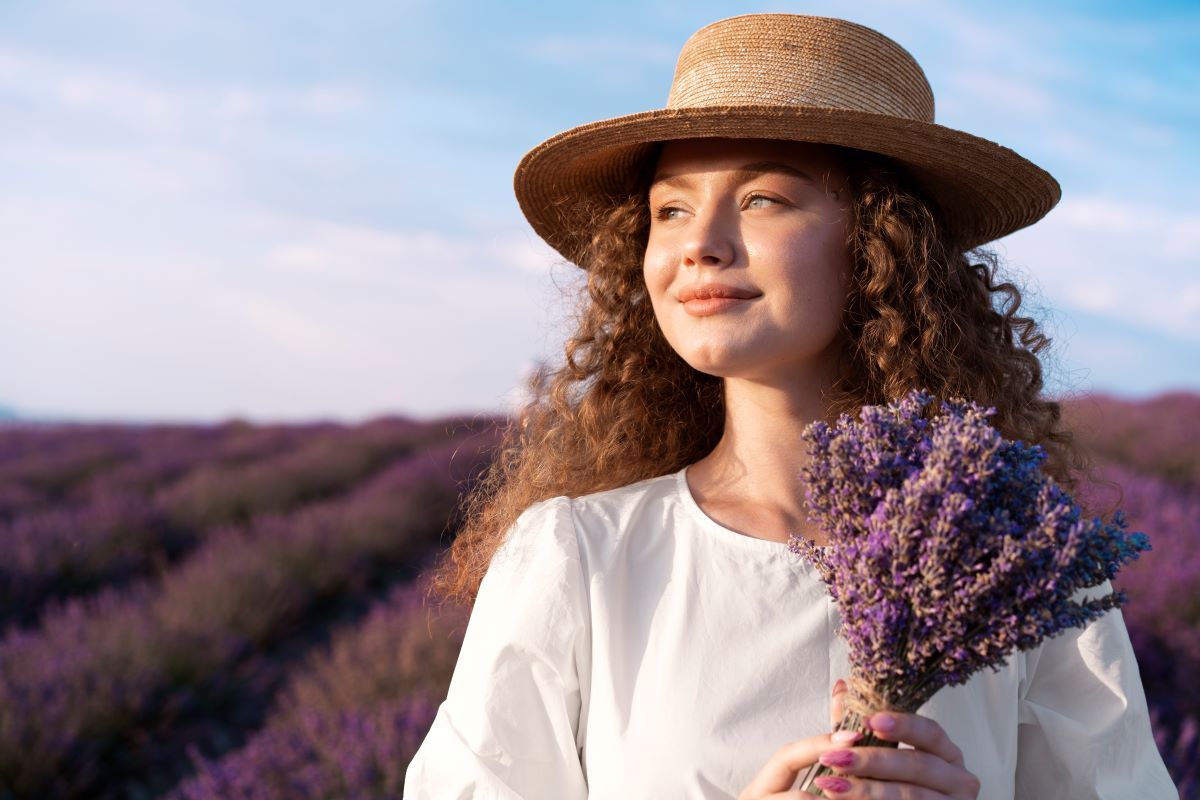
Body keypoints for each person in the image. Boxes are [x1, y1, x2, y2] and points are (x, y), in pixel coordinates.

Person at [404, 13, 1177, 799]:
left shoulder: (1019, 570)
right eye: (669, 209)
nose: (699, 241)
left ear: (883, 242)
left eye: (764, 198)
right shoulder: (578, 558)